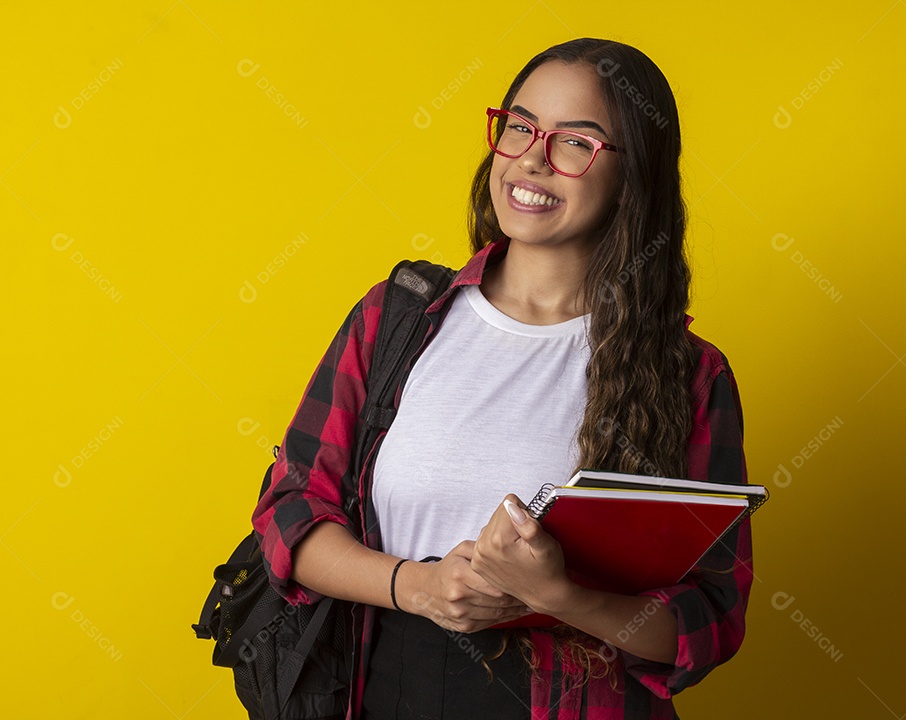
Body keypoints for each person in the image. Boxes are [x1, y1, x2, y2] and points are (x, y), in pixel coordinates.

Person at [251, 37, 754, 720]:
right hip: (386, 691)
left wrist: (561, 596)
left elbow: (710, 620)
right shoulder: (397, 317)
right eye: (520, 127)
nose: (532, 159)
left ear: (635, 177)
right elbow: (290, 515)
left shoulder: (690, 374)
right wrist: (419, 586)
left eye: (577, 142)